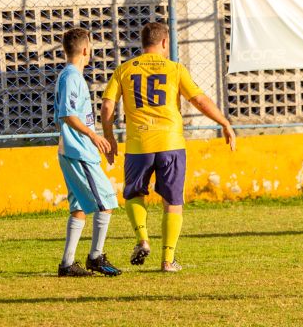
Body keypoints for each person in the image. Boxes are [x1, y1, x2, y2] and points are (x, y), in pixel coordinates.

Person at [101, 22, 236, 272]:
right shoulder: (175, 69)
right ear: (165, 42)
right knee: (173, 201)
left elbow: (107, 106)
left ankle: (142, 239)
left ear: (143, 44)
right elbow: (199, 99)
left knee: (133, 194)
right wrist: (224, 122)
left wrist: (109, 137)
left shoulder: (124, 69)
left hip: (138, 142)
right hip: (171, 143)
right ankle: (168, 260)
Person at [54, 28, 122, 277]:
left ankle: (67, 264)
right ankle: (95, 257)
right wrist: (94, 136)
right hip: (78, 152)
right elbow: (68, 114)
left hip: (72, 150)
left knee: (79, 206)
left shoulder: (69, 76)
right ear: (85, 49)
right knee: (106, 201)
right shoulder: (72, 76)